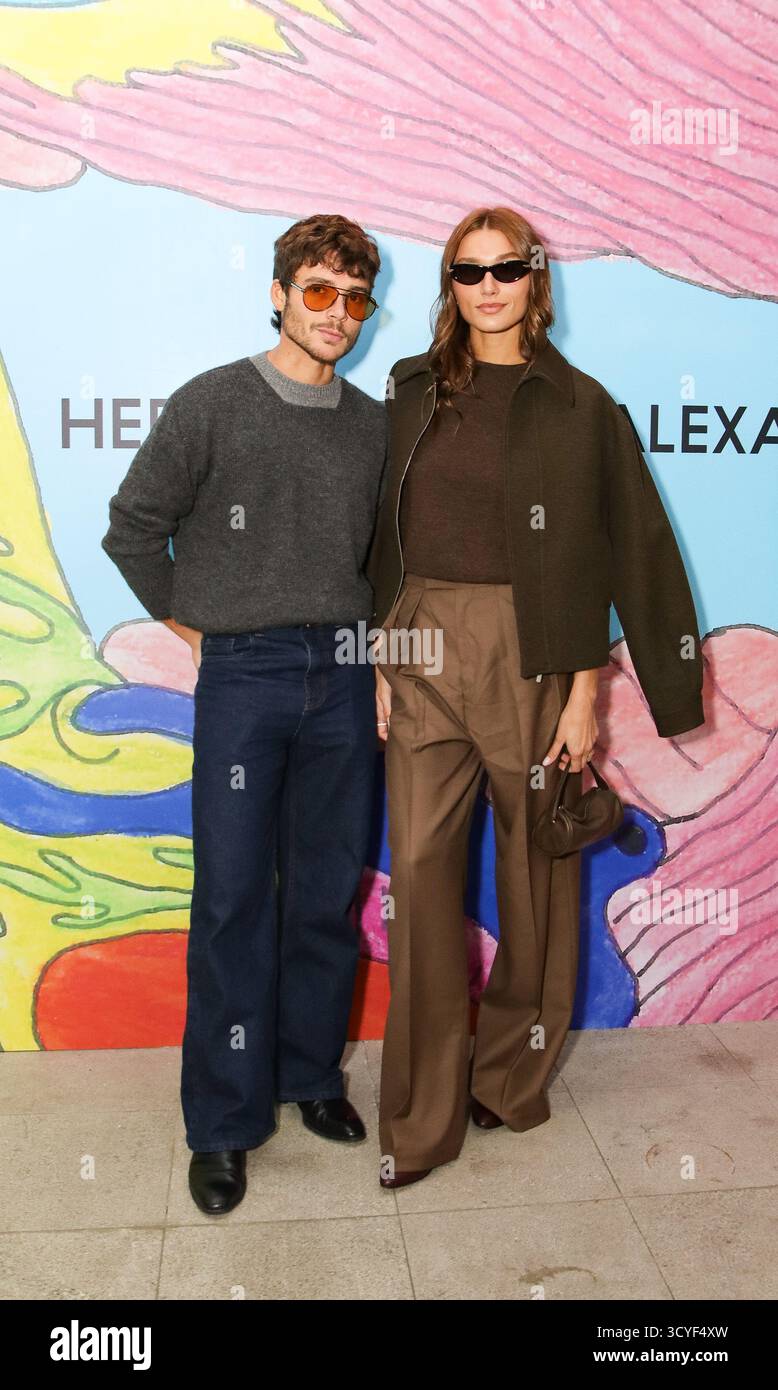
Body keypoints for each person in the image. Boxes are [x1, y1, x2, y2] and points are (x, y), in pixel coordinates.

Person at [367, 205, 705, 1190]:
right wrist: (379, 654)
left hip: (533, 647)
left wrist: (585, 686)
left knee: (536, 874)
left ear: (534, 279)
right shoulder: (409, 390)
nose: (487, 288)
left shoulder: (579, 404)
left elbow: (624, 544)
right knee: (421, 876)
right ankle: (420, 1116)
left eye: (505, 269)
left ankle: (510, 1077)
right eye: (467, 273)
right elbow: (375, 526)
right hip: (421, 640)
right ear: (449, 286)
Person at [102, 214, 388, 1214]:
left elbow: (381, 565)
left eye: (356, 298)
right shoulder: (211, 404)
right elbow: (133, 527)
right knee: (231, 899)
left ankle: (309, 1075)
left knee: (324, 894)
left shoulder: (370, 425)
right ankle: (223, 1123)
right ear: (279, 293)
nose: (338, 315)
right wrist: (195, 626)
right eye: (319, 291)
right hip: (245, 675)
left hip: (344, 673)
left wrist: (380, 662)